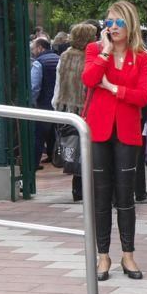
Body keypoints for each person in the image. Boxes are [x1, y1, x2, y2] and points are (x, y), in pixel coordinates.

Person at [82, 0, 147, 282]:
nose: (112, 27)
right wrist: (105, 54)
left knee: (125, 197)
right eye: (108, 22)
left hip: (127, 132)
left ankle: (128, 254)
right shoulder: (94, 50)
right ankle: (103, 257)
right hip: (98, 130)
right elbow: (88, 79)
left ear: (130, 23)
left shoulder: (142, 57)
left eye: (118, 22)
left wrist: (113, 88)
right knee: (101, 195)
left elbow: (143, 96)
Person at [52, 21, 95, 202]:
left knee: (76, 150)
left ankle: (77, 190)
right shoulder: (93, 57)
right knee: (90, 150)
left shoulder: (64, 56)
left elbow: (58, 84)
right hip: (89, 109)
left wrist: (57, 106)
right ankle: (90, 190)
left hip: (68, 110)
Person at [30, 37, 59, 169]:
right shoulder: (59, 58)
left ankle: (34, 163)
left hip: (43, 103)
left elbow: (34, 87)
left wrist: (33, 102)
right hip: (57, 102)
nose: (33, 52)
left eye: (34, 49)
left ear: (40, 48)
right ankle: (55, 157)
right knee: (53, 131)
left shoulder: (38, 63)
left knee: (39, 135)